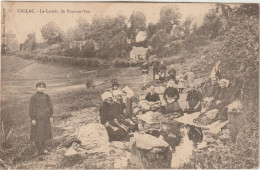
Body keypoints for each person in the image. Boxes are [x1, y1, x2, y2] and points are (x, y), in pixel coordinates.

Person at [29, 81, 53, 156]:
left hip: (45, 118)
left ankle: (44, 149)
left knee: (45, 133)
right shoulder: (33, 97)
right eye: (39, 87)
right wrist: (33, 118)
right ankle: (37, 150)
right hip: (37, 119)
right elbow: (31, 108)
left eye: (43, 87)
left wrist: (50, 116)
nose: (41, 88)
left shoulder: (46, 96)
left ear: (44, 88)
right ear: (36, 88)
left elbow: (50, 107)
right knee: (36, 134)